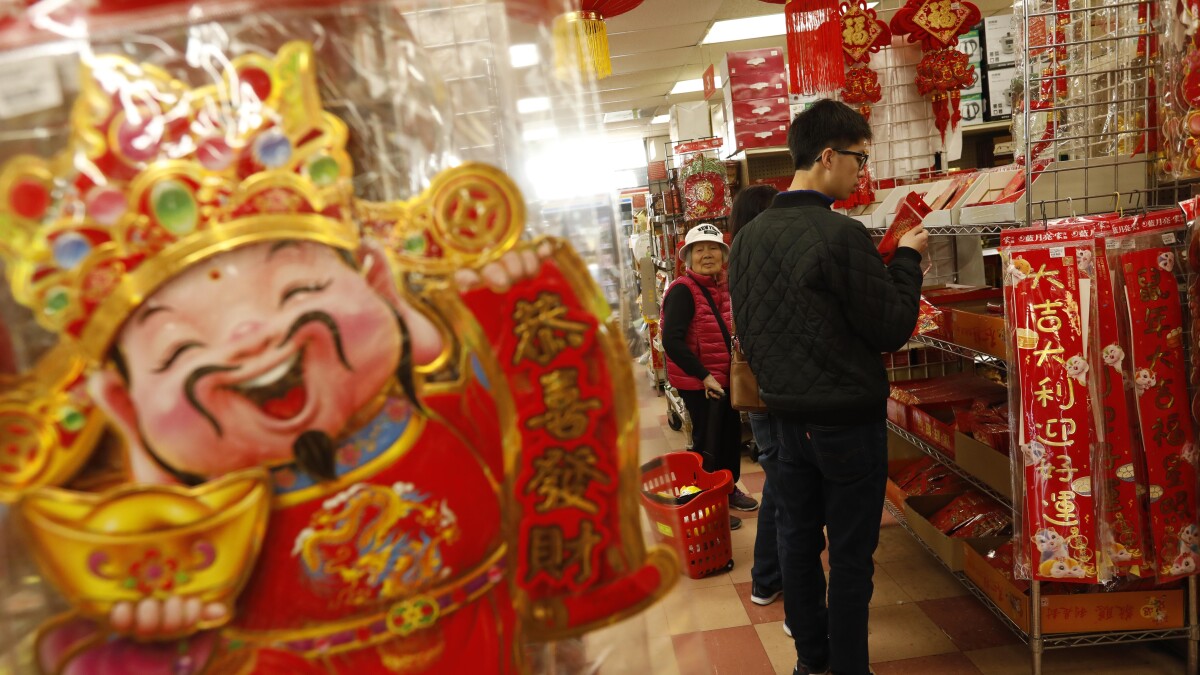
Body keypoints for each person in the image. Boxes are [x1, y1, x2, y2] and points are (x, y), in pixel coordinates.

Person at [728, 100, 928, 675]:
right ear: (826, 156)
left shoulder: (746, 239)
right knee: (850, 556)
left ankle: (810, 663)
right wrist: (909, 260)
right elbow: (890, 328)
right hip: (846, 420)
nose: (861, 172)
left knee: (796, 539)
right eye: (859, 159)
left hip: (783, 420)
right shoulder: (840, 235)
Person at [661, 223, 759, 530]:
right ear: (687, 259)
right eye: (699, 250)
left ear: (723, 255)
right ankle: (707, 502)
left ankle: (728, 489)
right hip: (700, 383)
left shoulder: (724, 286)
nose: (707, 255)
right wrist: (704, 377)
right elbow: (672, 341)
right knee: (708, 444)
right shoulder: (682, 291)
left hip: (724, 378)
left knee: (730, 438)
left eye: (713, 248)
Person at [729, 185, 787, 607]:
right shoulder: (762, 263)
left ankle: (769, 577)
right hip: (774, 390)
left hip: (764, 389)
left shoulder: (741, 261)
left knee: (781, 481)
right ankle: (766, 578)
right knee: (783, 485)